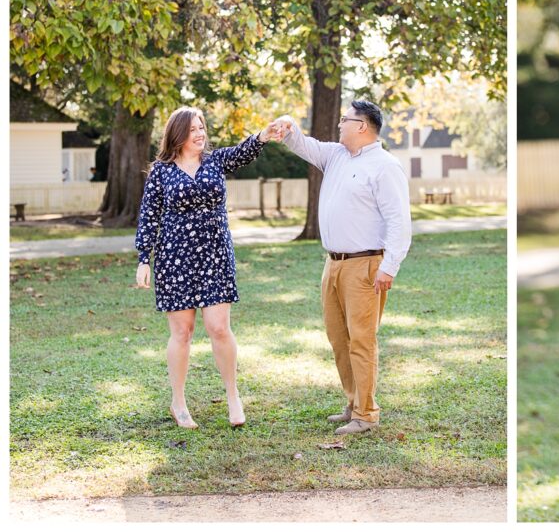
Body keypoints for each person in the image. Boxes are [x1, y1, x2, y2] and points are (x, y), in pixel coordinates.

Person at [134, 107, 288, 429]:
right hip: (175, 258)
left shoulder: (215, 161)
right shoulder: (161, 172)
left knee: (219, 327)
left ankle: (233, 395)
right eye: (192, 129)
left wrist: (263, 135)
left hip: (215, 256)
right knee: (182, 332)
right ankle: (178, 402)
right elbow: (149, 215)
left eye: (202, 127)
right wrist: (143, 260)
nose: (200, 134)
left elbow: (243, 152)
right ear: (177, 135)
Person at [272, 99, 412, 436]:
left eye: (345, 120)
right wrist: (288, 123)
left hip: (365, 265)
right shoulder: (335, 155)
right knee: (338, 338)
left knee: (361, 341)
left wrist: (389, 266)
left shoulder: (385, 166)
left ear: (362, 125)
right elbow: (302, 144)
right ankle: (352, 402)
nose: (339, 125)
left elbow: (399, 221)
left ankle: (366, 414)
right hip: (332, 264)